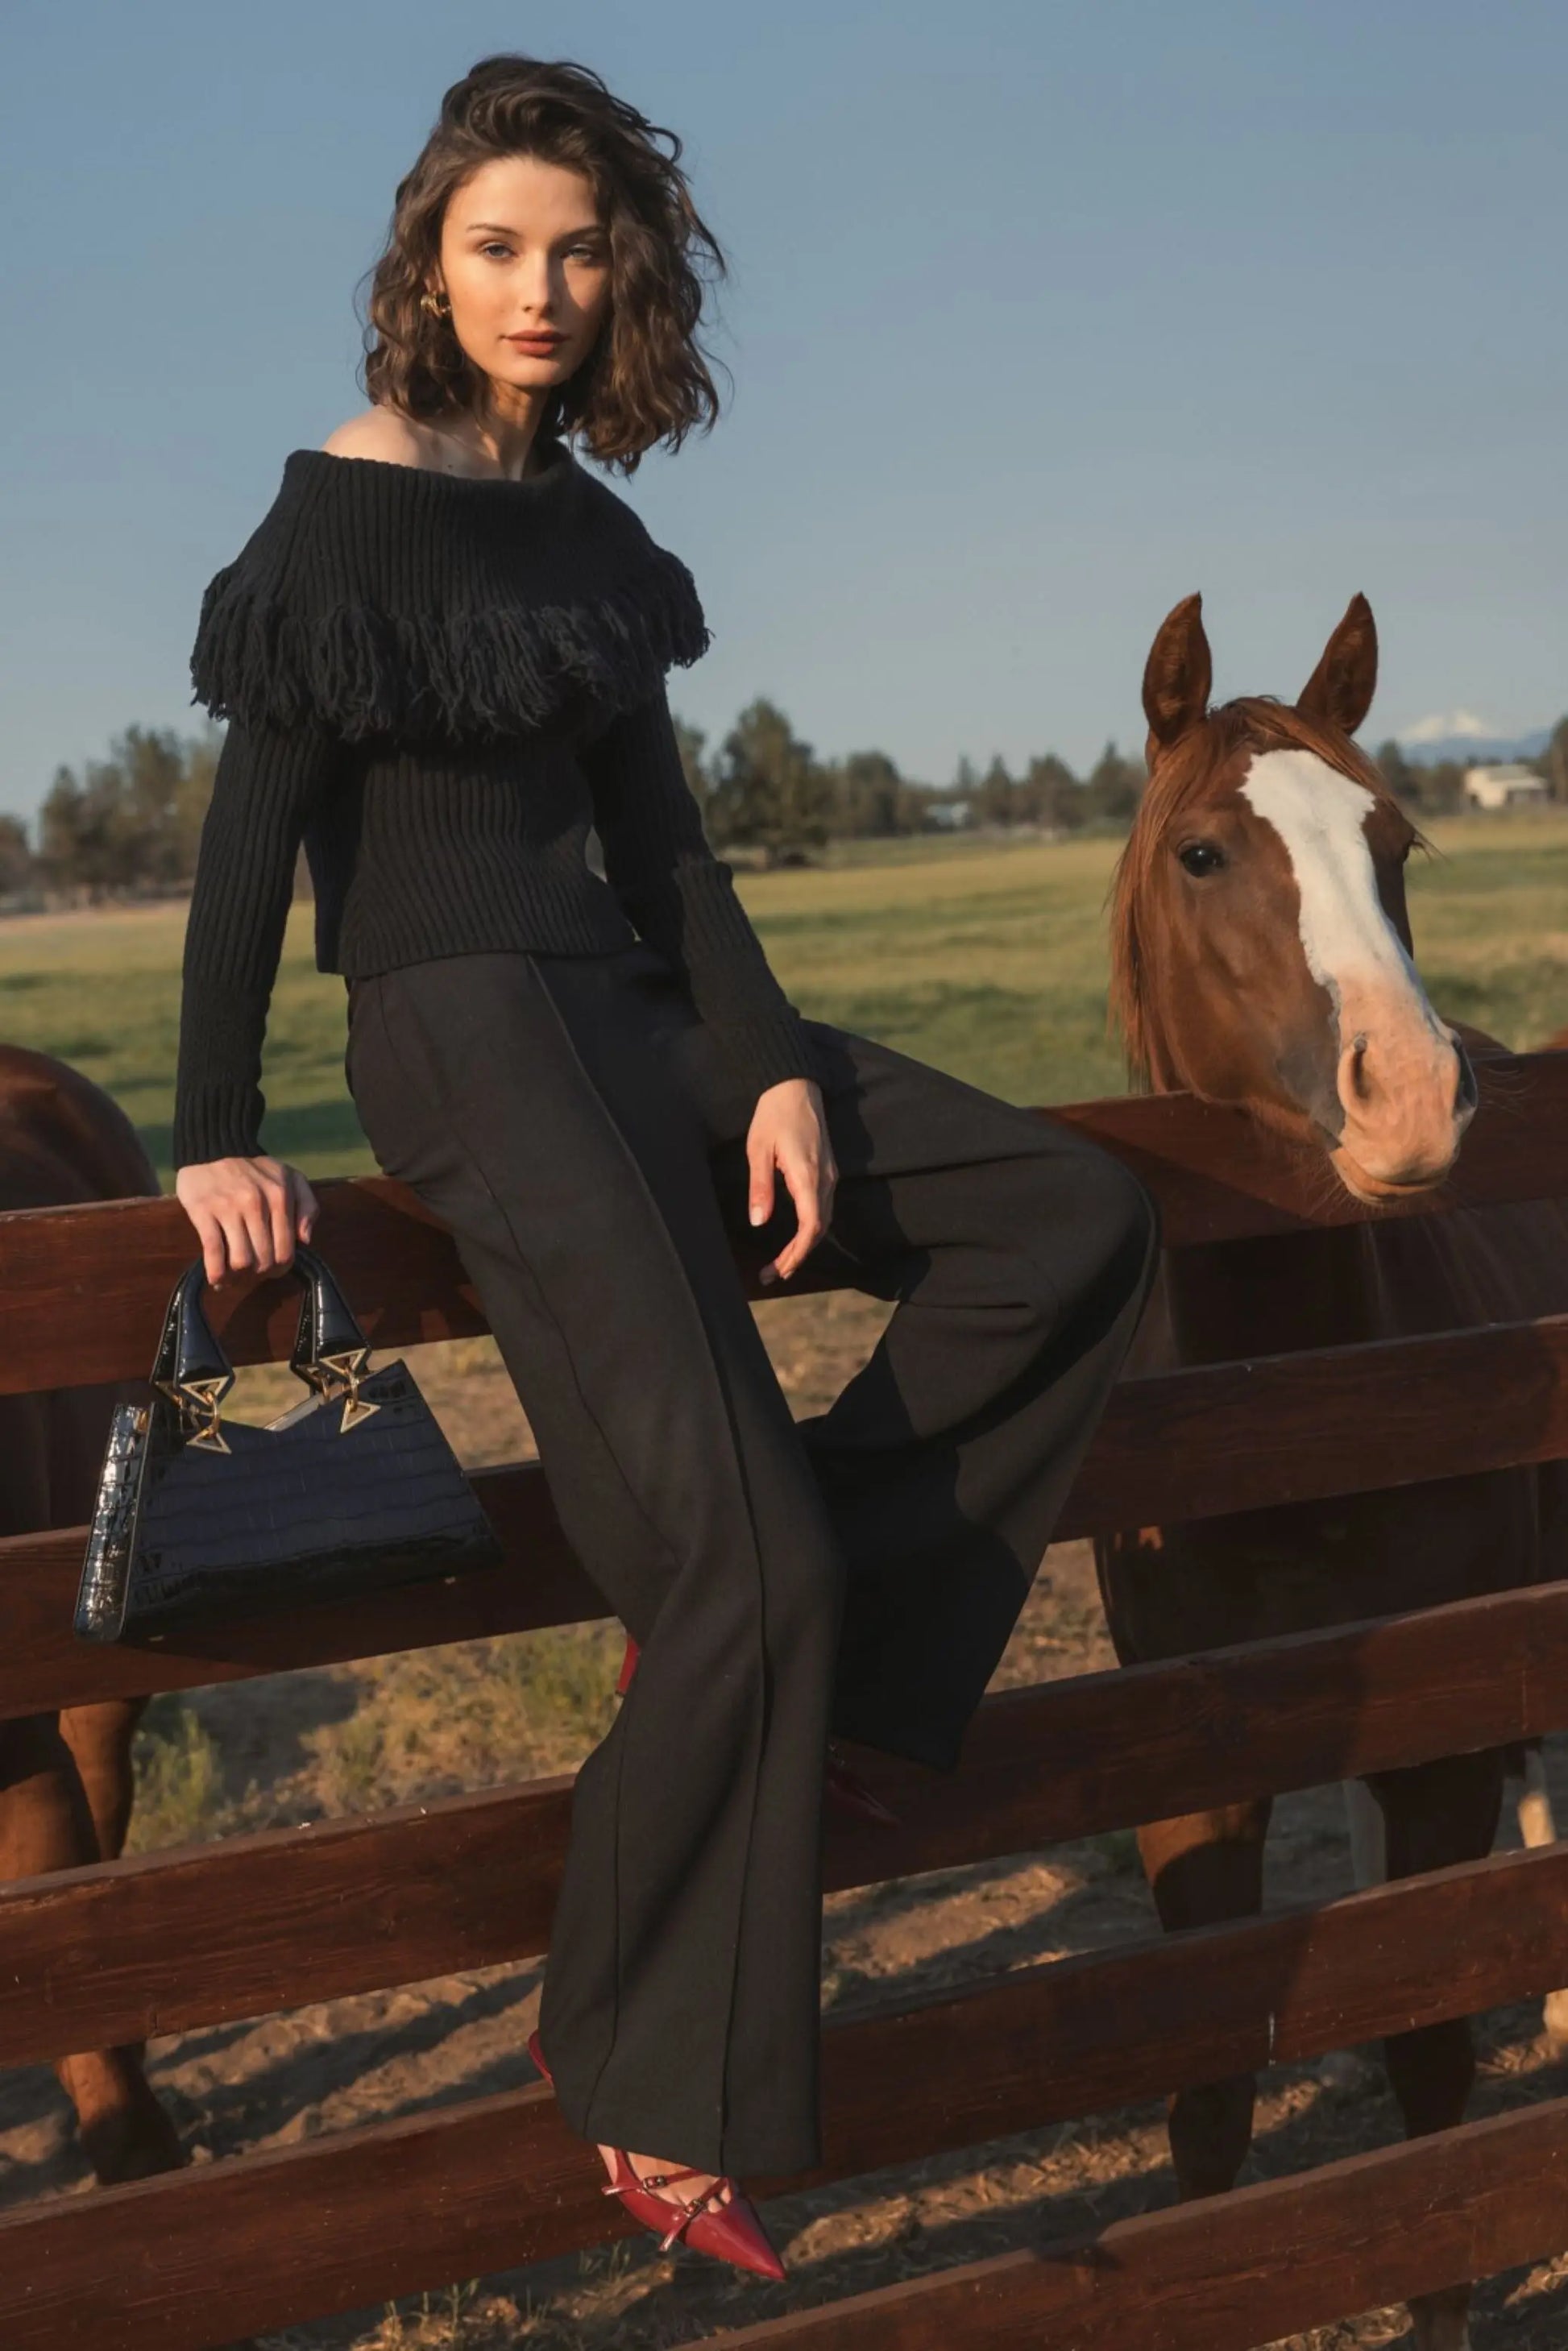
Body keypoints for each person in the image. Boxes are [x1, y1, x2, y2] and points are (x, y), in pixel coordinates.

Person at [171, 53, 1157, 2282]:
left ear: (627, 275)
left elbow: (672, 851)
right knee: (746, 1557)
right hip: (459, 1029)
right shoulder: (342, 503)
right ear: (430, 266)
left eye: (577, 249)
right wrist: (215, 1130)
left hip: (629, 1003)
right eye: (495, 247)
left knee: (1071, 1216)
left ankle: (817, 1652)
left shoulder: (596, 535)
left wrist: (773, 1068)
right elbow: (247, 846)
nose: (538, 287)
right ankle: (637, 2061)